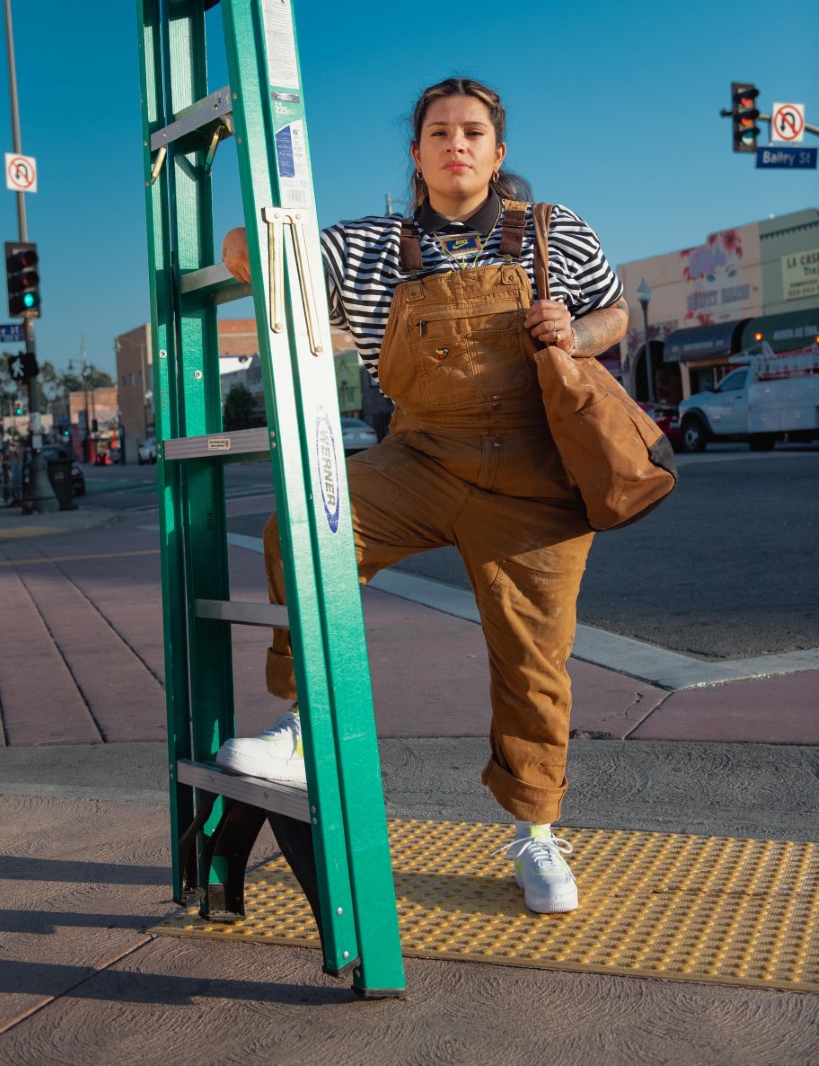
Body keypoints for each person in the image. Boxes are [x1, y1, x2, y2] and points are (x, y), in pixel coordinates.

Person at [218, 77, 628, 914]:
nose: (457, 144)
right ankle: (305, 727)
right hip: (423, 456)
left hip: (536, 478)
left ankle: (537, 833)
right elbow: (256, 261)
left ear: (498, 151)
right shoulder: (367, 244)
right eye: (439, 132)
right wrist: (254, 244)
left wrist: (574, 332)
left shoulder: (558, 232)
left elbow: (615, 314)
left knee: (534, 666)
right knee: (301, 532)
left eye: (473, 131)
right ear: (416, 154)